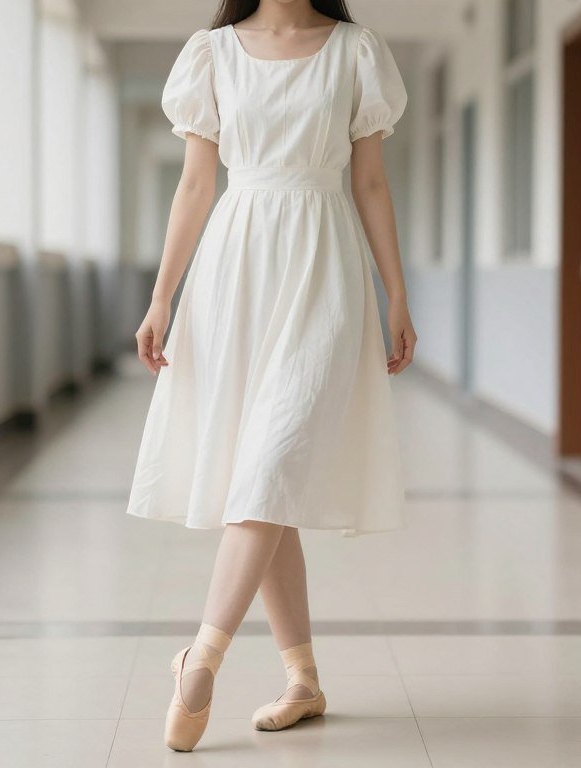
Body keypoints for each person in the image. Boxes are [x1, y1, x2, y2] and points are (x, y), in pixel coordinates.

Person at [125, 0, 414, 752]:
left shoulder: (355, 51)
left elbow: (372, 183)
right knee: (263, 475)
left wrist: (396, 293)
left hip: (325, 266)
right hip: (236, 267)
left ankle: (202, 658)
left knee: (275, 458)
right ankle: (303, 680)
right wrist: (162, 299)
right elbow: (195, 186)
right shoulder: (211, 53)